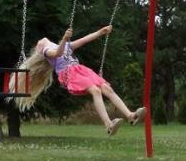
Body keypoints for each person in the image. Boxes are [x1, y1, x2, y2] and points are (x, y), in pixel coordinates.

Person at [12, 26, 145, 135]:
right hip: (68, 74)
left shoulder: (67, 47)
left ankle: (130, 116)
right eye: (39, 44)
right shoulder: (47, 51)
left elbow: (85, 39)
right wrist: (64, 38)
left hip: (81, 70)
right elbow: (58, 53)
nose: (41, 41)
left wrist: (100, 32)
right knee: (95, 90)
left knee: (107, 89)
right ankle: (108, 125)